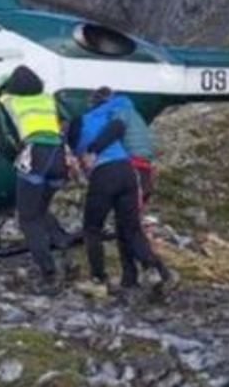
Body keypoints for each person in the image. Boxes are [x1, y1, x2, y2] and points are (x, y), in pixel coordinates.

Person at [68, 87, 175, 297]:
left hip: (117, 170)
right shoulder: (119, 111)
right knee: (129, 227)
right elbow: (116, 131)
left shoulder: (101, 115)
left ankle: (99, 279)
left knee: (94, 229)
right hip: (129, 170)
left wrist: (89, 152)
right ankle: (143, 275)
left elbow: (108, 132)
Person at [0, 65, 74, 294]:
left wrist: (18, 156)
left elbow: (2, 139)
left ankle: (48, 273)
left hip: (34, 156)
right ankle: (63, 245)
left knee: (27, 217)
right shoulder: (48, 99)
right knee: (39, 208)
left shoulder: (5, 102)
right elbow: (68, 120)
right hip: (58, 157)